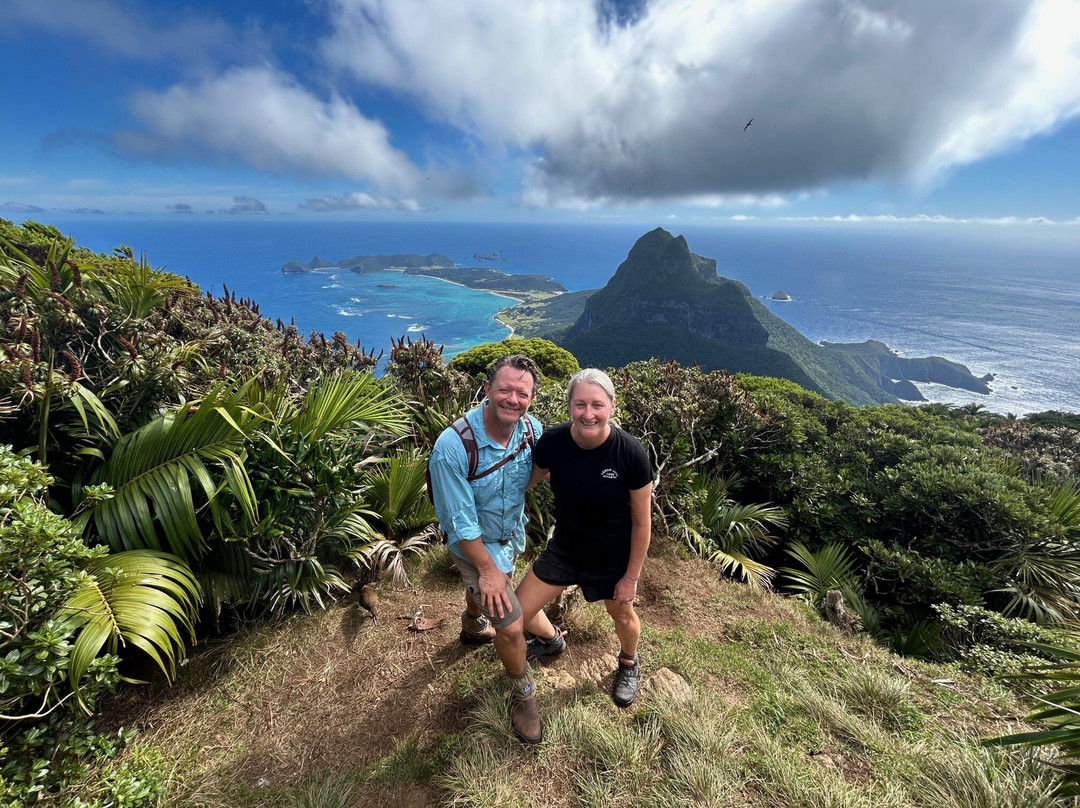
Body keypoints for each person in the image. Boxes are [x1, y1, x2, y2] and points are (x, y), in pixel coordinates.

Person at [427, 354, 561, 744]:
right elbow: (460, 523)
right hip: (473, 547)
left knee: (488, 594)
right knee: (512, 621)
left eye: (522, 393)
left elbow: (528, 479)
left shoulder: (531, 430)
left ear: (532, 398)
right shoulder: (452, 447)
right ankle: (524, 695)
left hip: (510, 535)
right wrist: (486, 570)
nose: (512, 399)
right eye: (504, 389)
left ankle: (472, 624)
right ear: (487, 389)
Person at [517, 368, 653, 707]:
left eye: (597, 405)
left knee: (622, 614)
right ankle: (552, 641)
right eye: (580, 404)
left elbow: (641, 523)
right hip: (565, 547)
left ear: (612, 406)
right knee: (517, 614)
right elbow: (528, 480)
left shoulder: (630, 454)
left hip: (612, 555)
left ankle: (628, 662)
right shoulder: (554, 441)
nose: (588, 414)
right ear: (569, 407)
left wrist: (630, 577)